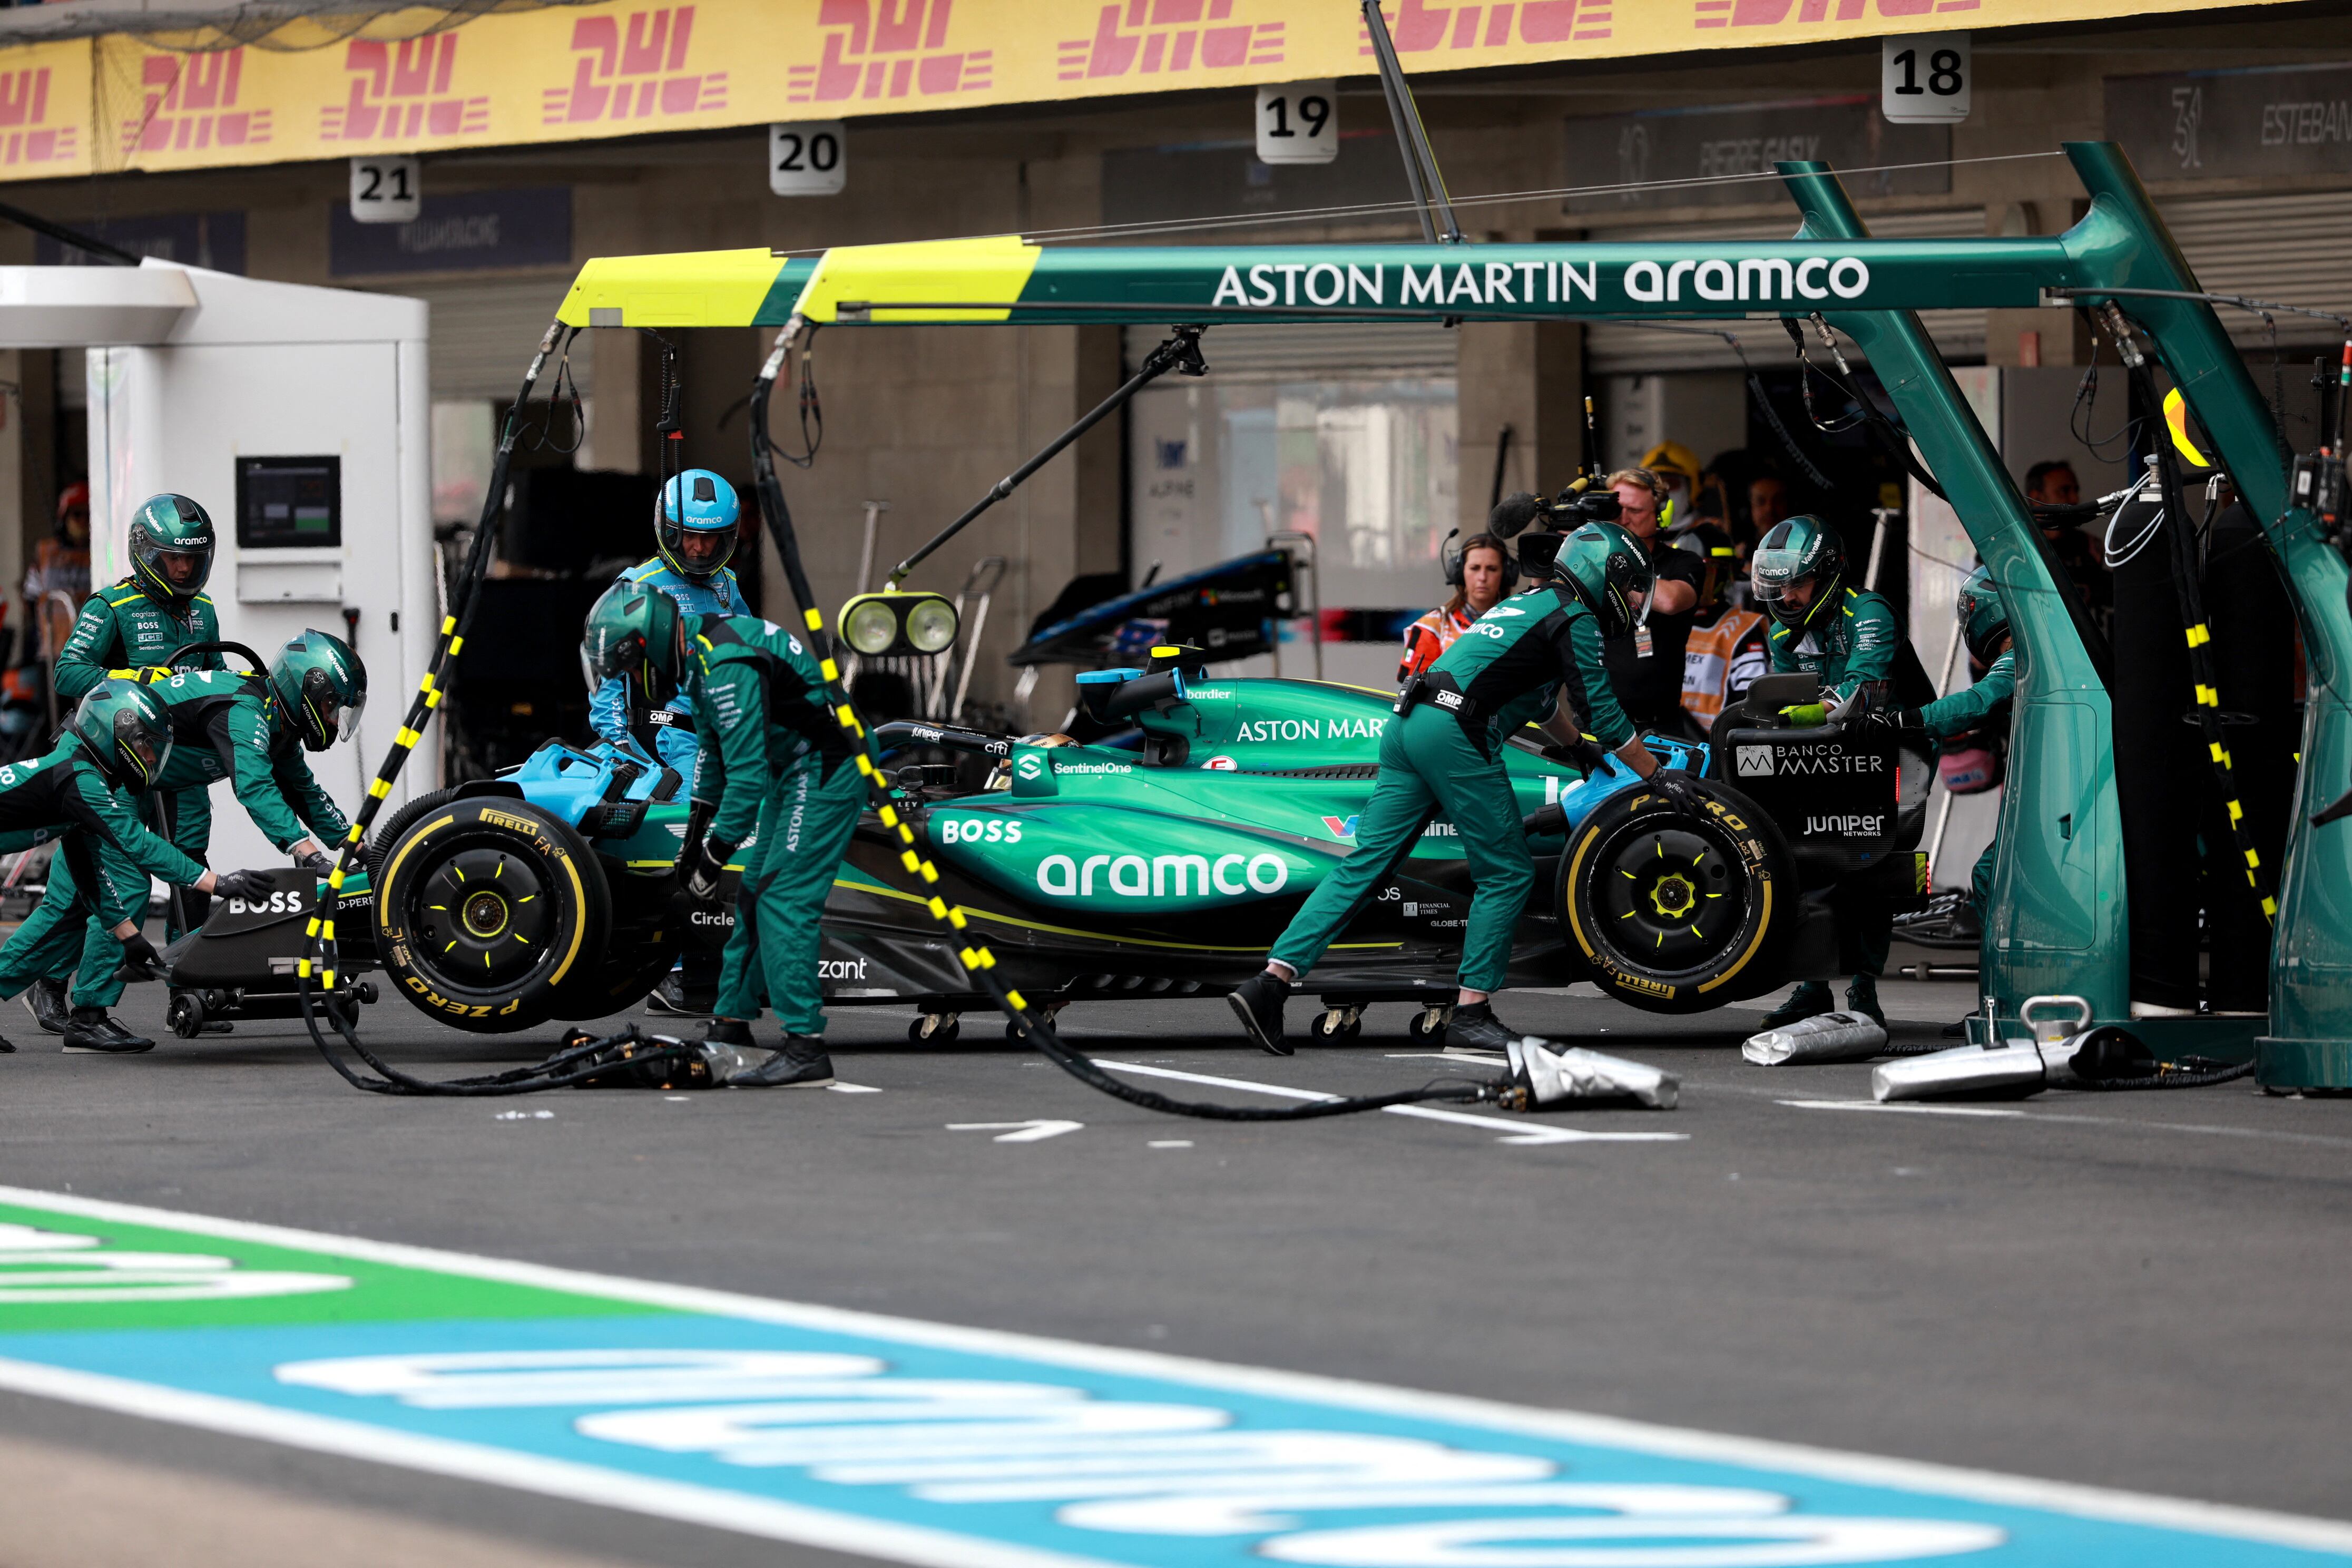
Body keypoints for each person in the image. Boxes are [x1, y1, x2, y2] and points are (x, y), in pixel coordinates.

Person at [1228, 520, 1689, 1057]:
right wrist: (1656, 776)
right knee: (1508, 872)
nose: (1634, 598)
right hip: (1455, 731)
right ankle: (1472, 1014)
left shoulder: (1534, 604)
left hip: (1410, 724)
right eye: (1631, 584)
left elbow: (1540, 701)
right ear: (1604, 573)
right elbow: (1606, 715)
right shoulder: (1576, 614)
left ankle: (1271, 982)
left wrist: (1575, 748)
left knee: (1367, 864)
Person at [16, 633, 363, 1048]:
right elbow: (254, 787)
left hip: (141, 779)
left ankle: (63, 989)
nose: (331, 719)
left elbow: (304, 791)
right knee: (117, 890)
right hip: (101, 769)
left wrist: (356, 844)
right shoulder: (245, 709)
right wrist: (302, 850)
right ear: (309, 687)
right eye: (330, 707)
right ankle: (88, 1015)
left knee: (84, 896)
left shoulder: (278, 723)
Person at [582, 582, 860, 1089]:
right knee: (753, 895)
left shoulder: (726, 664)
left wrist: (713, 858)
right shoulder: (701, 657)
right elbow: (711, 760)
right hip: (793, 769)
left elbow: (747, 777)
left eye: (626, 670)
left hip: (824, 770)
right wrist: (693, 844)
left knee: (781, 900)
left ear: (647, 646)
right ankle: (732, 1024)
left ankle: (805, 1049)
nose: (628, 682)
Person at [0, 681, 273, 1053]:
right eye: (146, 745)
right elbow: (137, 842)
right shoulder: (80, 781)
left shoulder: (80, 782)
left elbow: (92, 878)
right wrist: (217, 883)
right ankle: (88, 1021)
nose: (150, 758)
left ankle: (87, 1023)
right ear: (119, 732)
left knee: (82, 898)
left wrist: (130, 938)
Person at [585, 469, 749, 1016]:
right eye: (690, 537)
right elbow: (607, 680)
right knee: (690, 836)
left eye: (713, 538)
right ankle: (675, 968)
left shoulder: (727, 587)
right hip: (670, 738)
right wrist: (630, 752)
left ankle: (727, 954)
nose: (701, 549)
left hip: (725, 735)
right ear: (667, 531)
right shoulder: (639, 587)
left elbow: (749, 656)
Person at [1750, 515, 1905, 1027]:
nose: (1787, 596)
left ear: (1830, 572)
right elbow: (1781, 702)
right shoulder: (1781, 632)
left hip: (1894, 749)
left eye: (1797, 583)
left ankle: (1864, 990)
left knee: (1874, 868)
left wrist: (1802, 715)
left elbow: (1861, 694)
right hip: (1825, 753)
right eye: (1779, 585)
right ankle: (1813, 986)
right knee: (1806, 862)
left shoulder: (1870, 613)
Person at [1866, 567, 2013, 1036]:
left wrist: (1903, 721)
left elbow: (1976, 703)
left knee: (1991, 876)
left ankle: (2000, 1007)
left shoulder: (2022, 656)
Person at [1599, 467, 1702, 731]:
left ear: (1660, 514)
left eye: (1635, 511)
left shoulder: (1683, 562)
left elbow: (1671, 601)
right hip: (1597, 724)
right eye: (1616, 509)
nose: (1623, 519)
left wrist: (1611, 565)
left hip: (1658, 727)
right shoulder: (1588, 559)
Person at [1674, 522, 1769, 737]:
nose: (1690, 580)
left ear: (1724, 574)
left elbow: (1750, 710)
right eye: (1682, 572)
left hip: (1713, 753)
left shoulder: (1743, 630)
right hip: (1657, 745)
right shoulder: (1658, 623)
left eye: (1702, 572)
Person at [1398, 532, 1513, 682]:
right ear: (1459, 573)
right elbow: (1410, 691)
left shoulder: (1520, 623)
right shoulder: (1433, 626)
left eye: (1492, 569)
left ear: (1505, 575)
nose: (1482, 578)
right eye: (1475, 568)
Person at [24, 482, 91, 673]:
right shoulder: (46, 552)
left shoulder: (104, 553)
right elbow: (30, 597)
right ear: (64, 517)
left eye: (87, 515)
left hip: (92, 655)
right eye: (76, 514)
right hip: (51, 653)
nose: (82, 521)